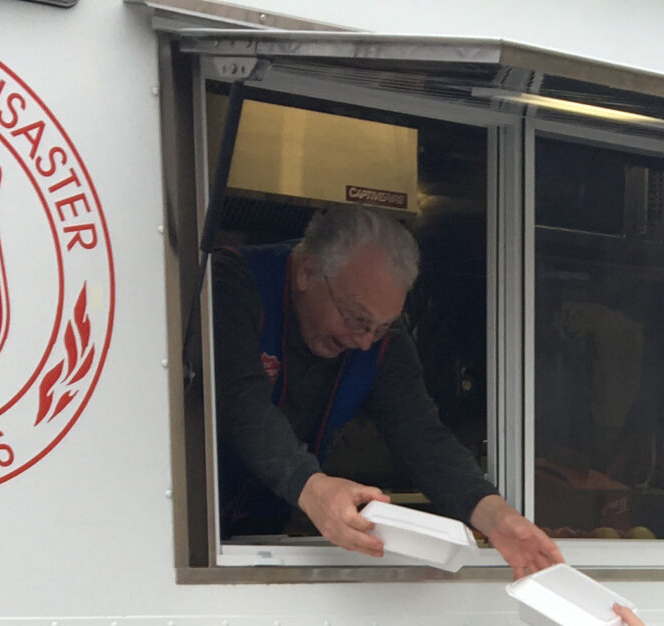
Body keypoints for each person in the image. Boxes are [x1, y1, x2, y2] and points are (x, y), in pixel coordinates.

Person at [210, 205, 561, 575]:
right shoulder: (234, 283)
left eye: (381, 328)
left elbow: (422, 435)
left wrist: (496, 516)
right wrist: (313, 488)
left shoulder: (381, 341)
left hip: (264, 533)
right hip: (190, 529)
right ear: (309, 270)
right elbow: (240, 402)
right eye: (357, 319)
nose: (364, 343)